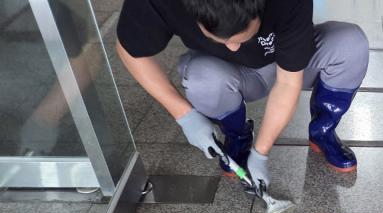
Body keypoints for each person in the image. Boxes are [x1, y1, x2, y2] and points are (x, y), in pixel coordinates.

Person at [115, 0, 369, 200]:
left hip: (290, 64)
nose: (234, 47)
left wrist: (261, 153)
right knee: (202, 78)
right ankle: (237, 136)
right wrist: (185, 115)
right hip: (227, 73)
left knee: (350, 43)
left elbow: (288, 82)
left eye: (240, 37)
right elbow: (130, 51)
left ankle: (322, 133)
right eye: (223, 39)